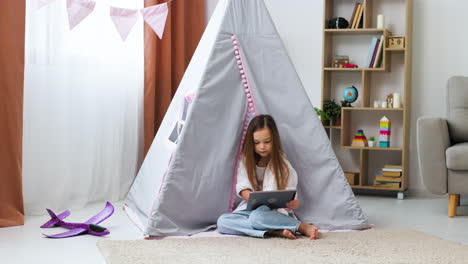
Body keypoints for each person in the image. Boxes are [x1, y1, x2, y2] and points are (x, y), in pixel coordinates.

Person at [217, 115, 319, 239]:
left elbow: (292, 196)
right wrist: (253, 197)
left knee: (258, 217)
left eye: (267, 142)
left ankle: (302, 226)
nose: (262, 147)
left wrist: (294, 203)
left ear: (274, 140)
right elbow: (243, 189)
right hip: (249, 211)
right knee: (223, 222)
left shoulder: (283, 165)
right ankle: (274, 231)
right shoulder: (246, 161)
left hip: (274, 213)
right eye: (256, 143)